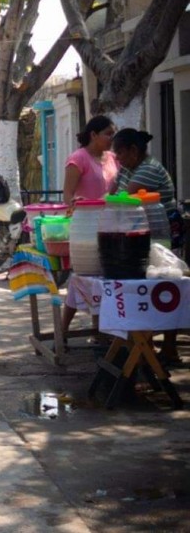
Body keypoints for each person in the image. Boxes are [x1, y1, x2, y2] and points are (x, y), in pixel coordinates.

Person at [113, 127, 182, 364]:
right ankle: (146, 346)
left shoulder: (148, 169)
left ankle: (168, 347)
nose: (117, 158)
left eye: (120, 153)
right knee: (145, 288)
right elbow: (111, 195)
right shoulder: (127, 169)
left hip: (159, 237)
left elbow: (125, 200)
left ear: (134, 150)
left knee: (166, 287)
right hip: (138, 235)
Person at [61, 115, 119, 335]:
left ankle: (100, 329)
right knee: (84, 279)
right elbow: (68, 195)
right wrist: (76, 203)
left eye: (113, 134)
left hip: (110, 225)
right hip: (85, 227)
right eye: (108, 134)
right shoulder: (78, 159)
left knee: (105, 278)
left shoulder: (114, 158)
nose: (111, 138)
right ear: (93, 135)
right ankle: (64, 330)